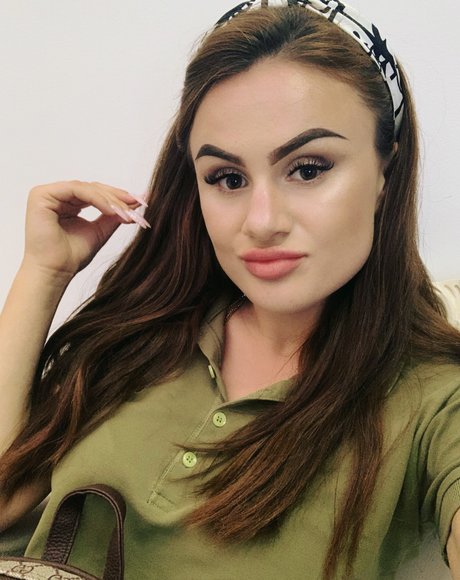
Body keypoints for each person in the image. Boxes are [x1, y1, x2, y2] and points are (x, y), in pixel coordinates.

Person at [0, 0, 459, 578]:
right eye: (228, 178)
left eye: (309, 168)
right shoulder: (141, 333)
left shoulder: (434, 397)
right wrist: (43, 273)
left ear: (385, 172)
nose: (261, 221)